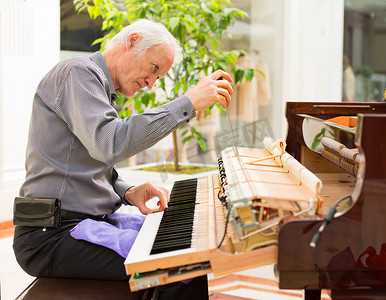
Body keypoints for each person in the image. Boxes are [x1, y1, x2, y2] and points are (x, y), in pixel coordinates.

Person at [13, 19, 233, 299]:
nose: (151, 84)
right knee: (180, 267)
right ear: (132, 41)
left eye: (158, 77)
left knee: (186, 250)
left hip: (79, 224)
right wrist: (187, 103)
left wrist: (127, 190)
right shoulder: (78, 72)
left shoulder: (96, 85)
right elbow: (110, 143)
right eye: (154, 69)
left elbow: (82, 165)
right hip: (50, 235)